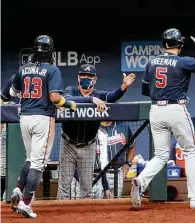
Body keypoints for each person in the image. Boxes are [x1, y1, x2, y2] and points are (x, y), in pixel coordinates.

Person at [131, 26, 195, 209]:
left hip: (155, 110)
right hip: (176, 108)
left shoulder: (151, 62)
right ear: (180, 44)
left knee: (161, 155)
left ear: (164, 44)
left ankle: (141, 180)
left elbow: (145, 90)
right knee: (190, 151)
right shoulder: (182, 61)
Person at [9, 35, 76, 218]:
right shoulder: (52, 69)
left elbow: (12, 92)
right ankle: (26, 203)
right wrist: (69, 104)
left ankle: (18, 189)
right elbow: (55, 98)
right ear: (50, 51)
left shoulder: (23, 69)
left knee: (31, 158)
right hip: (42, 118)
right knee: (38, 164)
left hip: (25, 118)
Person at [57, 64, 136, 200]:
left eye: (90, 77)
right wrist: (91, 99)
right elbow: (67, 100)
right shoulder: (71, 90)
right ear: (78, 77)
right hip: (68, 145)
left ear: (95, 79)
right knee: (63, 188)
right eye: (83, 76)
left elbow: (112, 96)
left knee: (87, 189)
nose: (86, 79)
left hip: (88, 145)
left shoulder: (99, 95)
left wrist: (123, 87)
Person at [97, 121, 136, 198]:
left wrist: (128, 163)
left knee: (116, 202)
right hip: (100, 174)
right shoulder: (94, 128)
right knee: (99, 203)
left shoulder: (123, 126)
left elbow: (132, 146)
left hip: (118, 172)